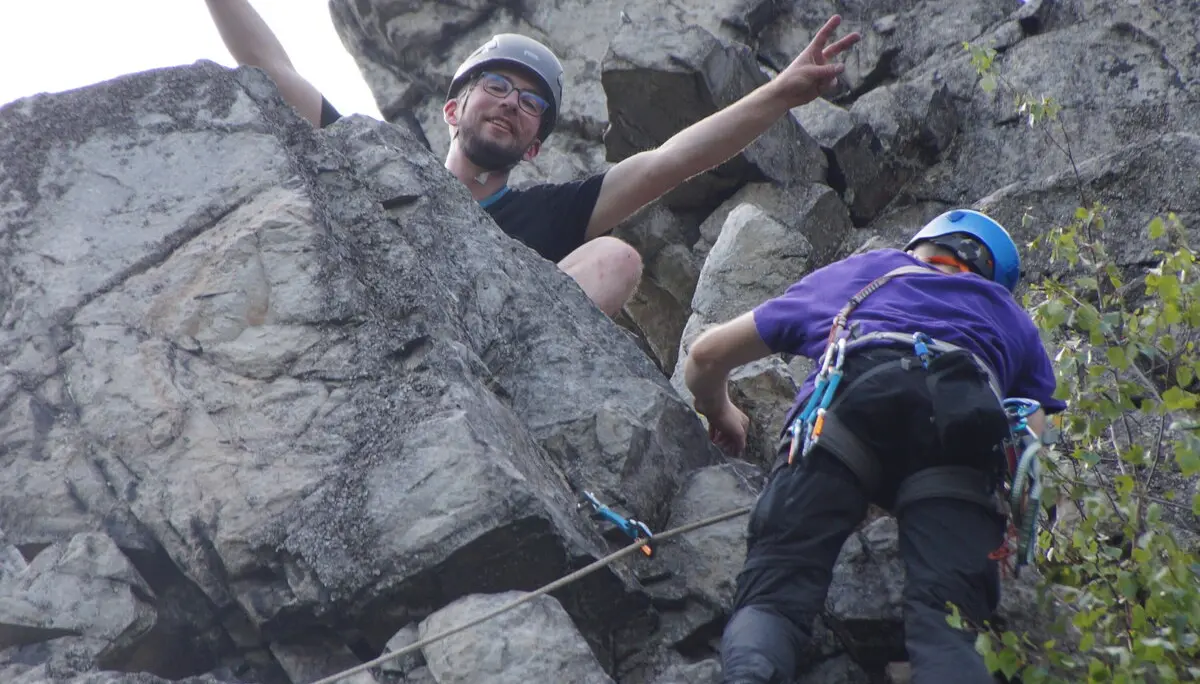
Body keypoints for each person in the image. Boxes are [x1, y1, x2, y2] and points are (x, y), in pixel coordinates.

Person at [203, 1, 860, 316]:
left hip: (501, 336)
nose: (512, 104)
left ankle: (513, 359)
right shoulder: (381, 165)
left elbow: (669, 162)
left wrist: (781, 93)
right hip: (382, 318)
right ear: (453, 110)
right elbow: (274, 72)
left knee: (616, 256)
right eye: (496, 87)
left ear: (536, 143)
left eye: (530, 104)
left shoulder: (550, 215)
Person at [682, 209, 1068, 684]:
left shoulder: (869, 271)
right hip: (959, 439)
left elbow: (704, 355)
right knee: (952, 630)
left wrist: (720, 411)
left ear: (921, 247)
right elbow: (1032, 451)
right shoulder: (1012, 318)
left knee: (775, 593)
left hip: (845, 418)